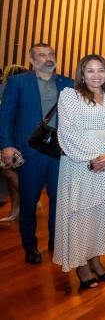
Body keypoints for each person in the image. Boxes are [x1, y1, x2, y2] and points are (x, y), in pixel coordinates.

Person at [53, 54, 105, 289]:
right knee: (81, 215)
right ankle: (81, 265)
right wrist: (95, 158)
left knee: (101, 214)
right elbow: (67, 132)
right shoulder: (70, 96)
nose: (96, 75)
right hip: (81, 165)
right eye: (90, 71)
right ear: (82, 74)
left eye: (101, 70)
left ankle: (95, 260)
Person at [0, 43, 73, 264]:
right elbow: (6, 116)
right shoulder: (18, 82)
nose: (48, 58)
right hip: (29, 152)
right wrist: (7, 146)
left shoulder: (67, 84)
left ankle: (55, 241)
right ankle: (30, 246)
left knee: (59, 201)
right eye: (42, 55)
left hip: (60, 152)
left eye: (51, 54)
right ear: (32, 60)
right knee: (29, 201)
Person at [0, 64, 29, 222]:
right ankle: (16, 209)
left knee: (9, 171)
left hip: (12, 138)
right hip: (11, 137)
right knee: (10, 172)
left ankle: (29, 200)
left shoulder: (8, 88)